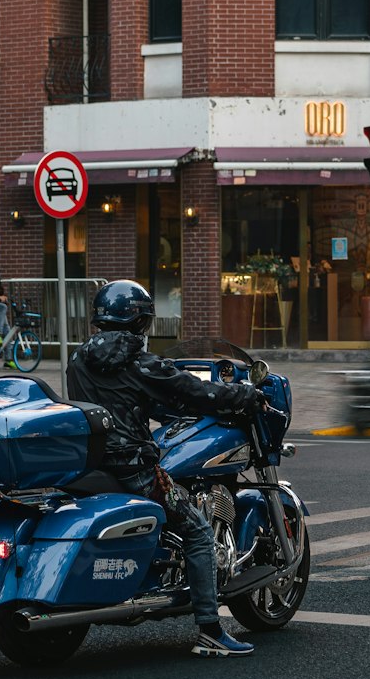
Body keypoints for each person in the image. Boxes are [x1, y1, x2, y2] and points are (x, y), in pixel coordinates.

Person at [67, 279, 266, 658]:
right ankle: (210, 629)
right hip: (134, 470)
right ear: (141, 323)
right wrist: (246, 395)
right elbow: (199, 392)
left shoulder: (78, 360)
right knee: (198, 530)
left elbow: (118, 404)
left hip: (92, 466)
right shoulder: (142, 363)